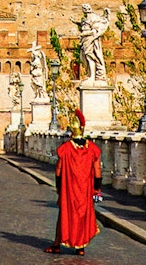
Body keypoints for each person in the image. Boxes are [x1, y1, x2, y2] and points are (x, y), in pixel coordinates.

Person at [45, 109, 102, 256]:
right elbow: (97, 172)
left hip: (69, 189)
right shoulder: (92, 149)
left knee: (65, 215)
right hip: (86, 190)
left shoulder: (65, 149)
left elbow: (58, 171)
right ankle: (80, 247)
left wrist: (58, 187)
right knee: (83, 216)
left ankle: (57, 244)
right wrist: (97, 190)